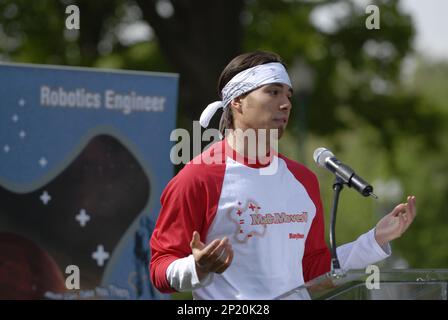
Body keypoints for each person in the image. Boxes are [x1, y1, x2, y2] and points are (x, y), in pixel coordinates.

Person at [149, 51, 416, 300]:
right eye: (273, 92)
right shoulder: (197, 178)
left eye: (288, 95)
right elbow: (160, 269)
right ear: (238, 101)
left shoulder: (304, 180)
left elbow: (312, 270)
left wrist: (374, 241)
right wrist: (195, 267)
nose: (286, 104)